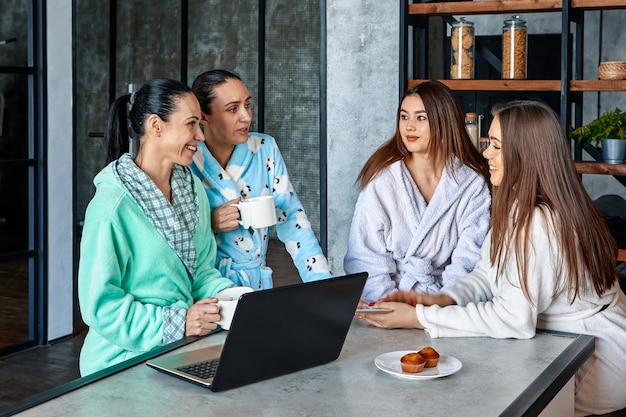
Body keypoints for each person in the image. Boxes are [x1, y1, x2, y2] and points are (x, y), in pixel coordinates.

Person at [358, 100, 626, 417]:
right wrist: (441, 300)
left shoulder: (539, 222)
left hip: (596, 363)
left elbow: (513, 319)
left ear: (525, 155)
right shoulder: (520, 205)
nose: (485, 154)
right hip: (564, 345)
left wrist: (420, 319)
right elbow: (488, 272)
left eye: (496, 146)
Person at [78, 78, 240, 376]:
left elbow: (201, 271)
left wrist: (237, 298)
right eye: (191, 124)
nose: (200, 136)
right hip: (120, 363)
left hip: (180, 350)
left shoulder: (192, 189)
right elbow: (101, 307)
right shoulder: (111, 206)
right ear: (156, 125)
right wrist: (181, 322)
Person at [343, 80, 491, 302]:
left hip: (449, 305)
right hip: (388, 304)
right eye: (404, 116)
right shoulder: (382, 182)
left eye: (420, 117)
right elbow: (365, 258)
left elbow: (470, 256)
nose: (409, 126)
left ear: (444, 121)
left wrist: (442, 303)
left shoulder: (471, 184)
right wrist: (391, 303)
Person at [189, 69, 332, 290]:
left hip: (257, 286)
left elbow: (292, 218)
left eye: (247, 105)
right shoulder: (187, 157)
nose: (246, 116)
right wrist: (209, 224)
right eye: (232, 109)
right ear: (204, 116)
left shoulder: (264, 148)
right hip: (205, 289)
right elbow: (170, 233)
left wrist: (323, 285)